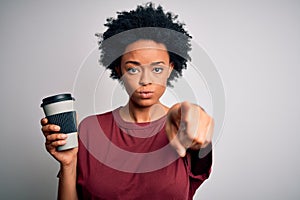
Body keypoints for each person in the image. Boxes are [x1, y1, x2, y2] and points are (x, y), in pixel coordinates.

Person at [41, 3, 214, 200]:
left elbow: (194, 131)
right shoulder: (90, 130)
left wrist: (187, 113)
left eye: (157, 69)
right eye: (133, 69)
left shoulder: (185, 127)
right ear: (119, 70)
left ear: (170, 68)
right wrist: (68, 163)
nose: (145, 80)